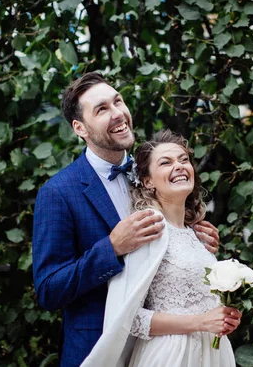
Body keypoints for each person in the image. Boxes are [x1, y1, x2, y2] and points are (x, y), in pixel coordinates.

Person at [32, 73, 220, 366]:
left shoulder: (154, 172)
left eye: (117, 101)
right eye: (102, 109)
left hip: (166, 351)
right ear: (79, 127)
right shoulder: (59, 192)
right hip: (98, 350)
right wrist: (111, 248)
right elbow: (48, 290)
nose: (118, 113)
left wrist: (192, 236)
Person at [82, 130, 241, 367]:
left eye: (183, 159)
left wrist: (224, 317)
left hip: (212, 354)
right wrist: (201, 322)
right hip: (171, 355)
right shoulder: (148, 230)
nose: (178, 166)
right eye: (166, 162)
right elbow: (129, 318)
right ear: (148, 181)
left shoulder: (196, 234)